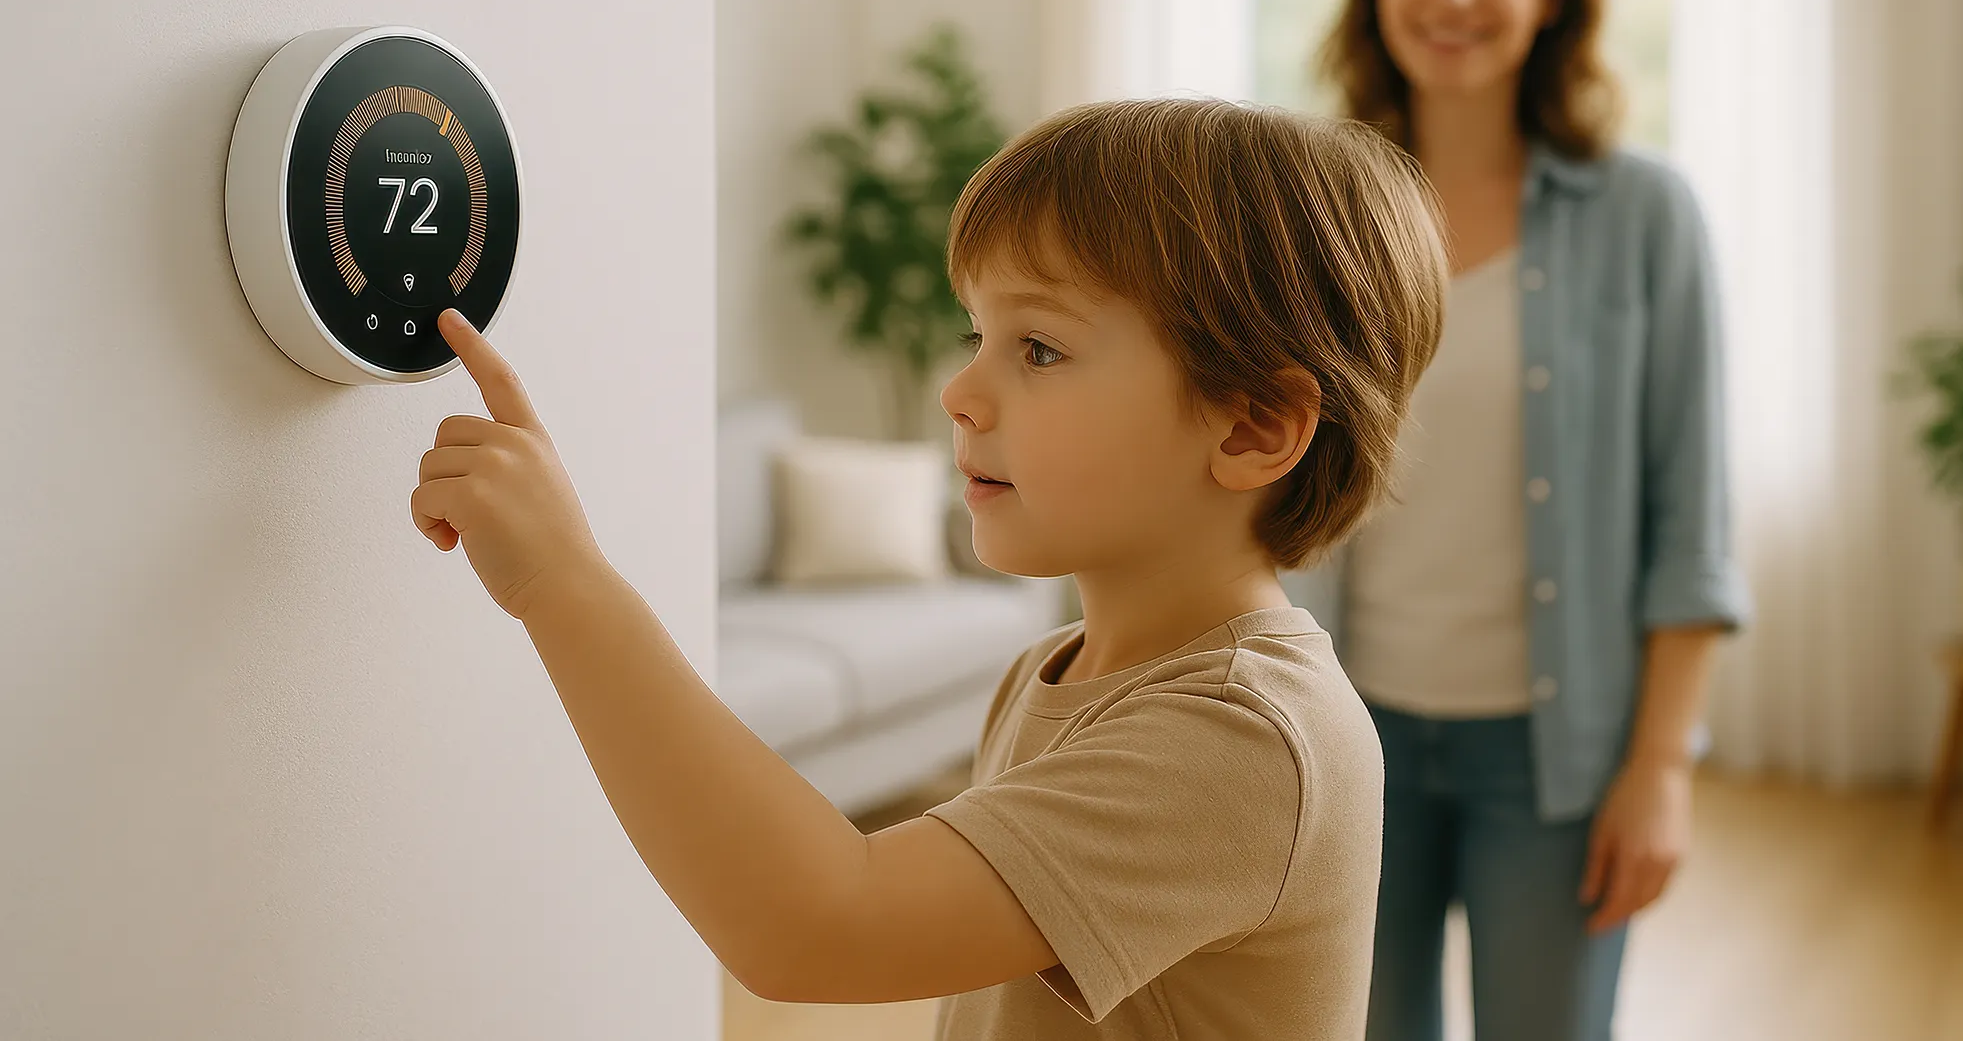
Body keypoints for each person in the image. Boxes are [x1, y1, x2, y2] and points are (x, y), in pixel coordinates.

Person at [408, 97, 1450, 1039]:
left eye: (1038, 348)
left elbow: (816, 925)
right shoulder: (1054, 671)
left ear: (1254, 425)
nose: (959, 389)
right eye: (975, 333)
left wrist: (564, 583)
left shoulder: (1246, 736)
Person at [1315, 0, 1750, 1041]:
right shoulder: (1316, 208)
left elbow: (1690, 516)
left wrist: (1659, 767)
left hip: (1555, 758)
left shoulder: (1643, 213)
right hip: (1340, 736)